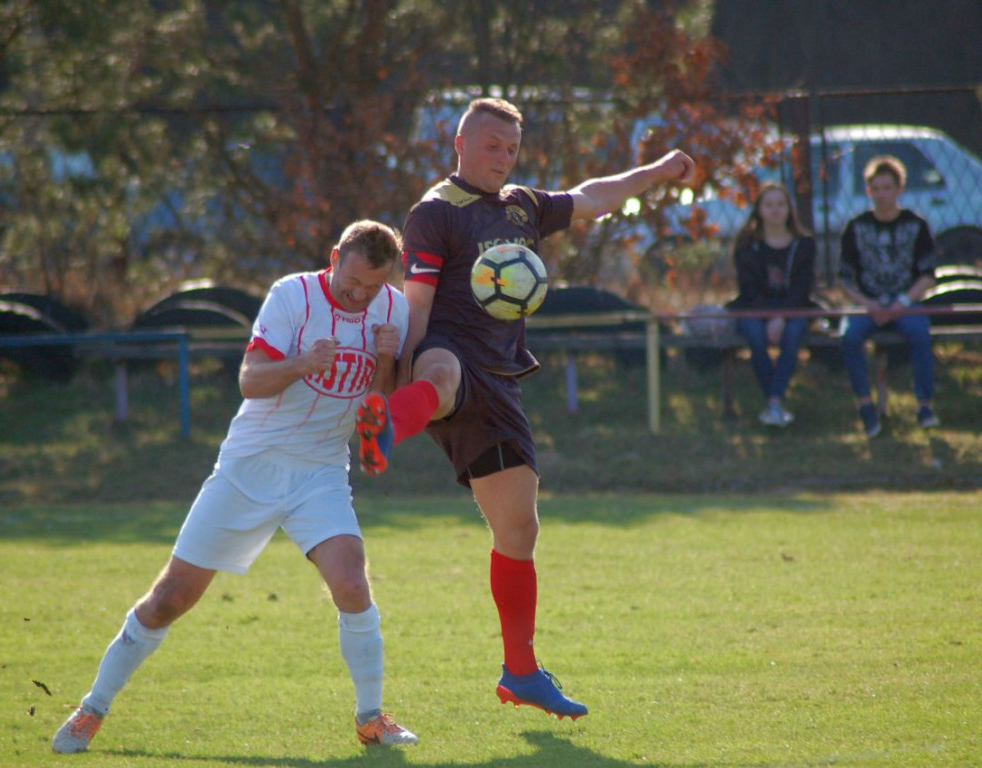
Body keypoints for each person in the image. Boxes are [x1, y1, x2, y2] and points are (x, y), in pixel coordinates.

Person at [353, 97, 696, 719]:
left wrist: (656, 171)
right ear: (461, 144)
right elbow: (418, 305)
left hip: (503, 379)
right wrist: (393, 380)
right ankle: (389, 426)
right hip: (444, 354)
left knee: (518, 528)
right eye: (492, 146)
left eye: (511, 148)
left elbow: (593, 195)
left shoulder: (522, 205)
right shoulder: (436, 212)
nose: (503, 157)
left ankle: (520, 671)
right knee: (443, 372)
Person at [52, 220, 417, 754]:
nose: (360, 296)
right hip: (251, 466)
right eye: (351, 283)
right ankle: (92, 709)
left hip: (320, 472)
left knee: (353, 585)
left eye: (372, 287)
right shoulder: (291, 296)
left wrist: (386, 358)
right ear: (334, 257)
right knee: (169, 598)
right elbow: (249, 379)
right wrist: (302, 362)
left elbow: (377, 406)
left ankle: (371, 718)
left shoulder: (395, 309)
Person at [838, 155, 939, 438]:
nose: (882, 194)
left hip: (905, 303)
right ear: (868, 191)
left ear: (899, 189)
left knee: (920, 333)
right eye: (876, 188)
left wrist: (902, 303)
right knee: (848, 337)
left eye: (887, 187)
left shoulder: (916, 224)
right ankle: (865, 405)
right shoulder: (855, 227)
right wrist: (868, 304)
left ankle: (924, 405)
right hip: (867, 304)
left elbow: (928, 275)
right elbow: (844, 278)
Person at [729, 182, 817, 427]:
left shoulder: (804, 244)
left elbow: (802, 288)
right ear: (759, 209)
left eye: (781, 204)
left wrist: (782, 316)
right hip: (755, 309)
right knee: (755, 336)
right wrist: (769, 317)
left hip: (793, 309)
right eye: (769, 204)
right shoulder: (747, 245)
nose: (775, 210)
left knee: (794, 332)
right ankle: (774, 402)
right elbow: (748, 290)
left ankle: (774, 401)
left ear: (789, 209)